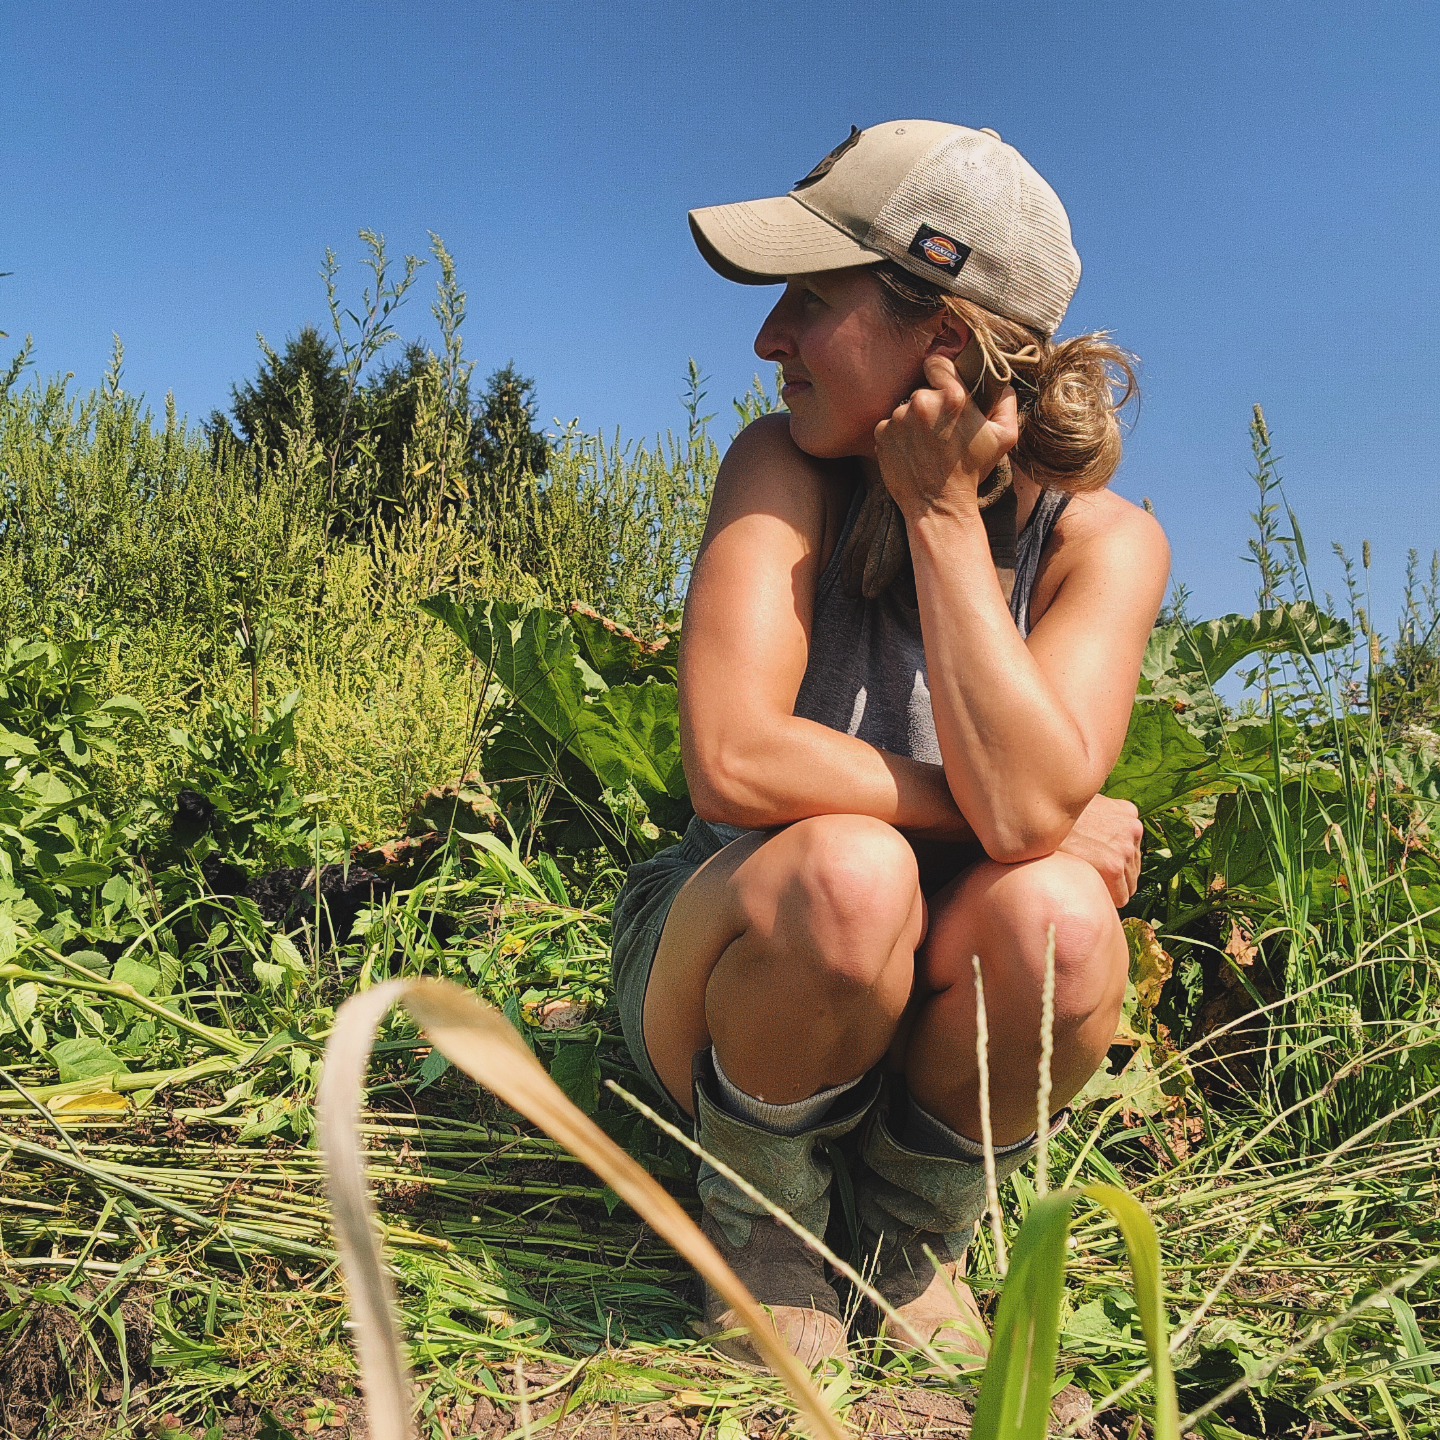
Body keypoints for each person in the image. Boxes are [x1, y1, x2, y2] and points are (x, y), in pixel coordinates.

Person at [610, 120, 1170, 1371]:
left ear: (949, 344)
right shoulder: (779, 467)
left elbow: (1033, 837)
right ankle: (763, 1226)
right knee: (853, 874)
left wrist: (936, 514)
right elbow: (739, 764)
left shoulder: (1104, 546)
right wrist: (1004, 817)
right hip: (739, 957)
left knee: (1066, 924)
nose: (769, 342)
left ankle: (911, 1238)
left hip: (933, 984)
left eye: (810, 301)